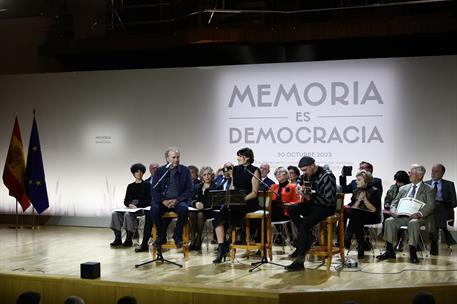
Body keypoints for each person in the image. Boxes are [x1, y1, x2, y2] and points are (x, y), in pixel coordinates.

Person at [285, 156, 336, 271]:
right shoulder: (307, 174)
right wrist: (299, 186)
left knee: (304, 225)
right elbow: (300, 179)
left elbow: (328, 200)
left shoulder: (327, 176)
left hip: (325, 207)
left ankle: (300, 261)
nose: (304, 173)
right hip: (313, 205)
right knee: (291, 208)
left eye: (305, 169)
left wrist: (309, 194)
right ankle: (308, 236)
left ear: (313, 165)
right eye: (302, 170)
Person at [377, 164, 435, 263]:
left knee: (413, 222)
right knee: (389, 221)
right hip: (403, 216)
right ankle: (390, 251)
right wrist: (393, 211)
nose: (409, 175)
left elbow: (431, 205)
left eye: (411, 173)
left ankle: (413, 252)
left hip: (419, 218)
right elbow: (394, 203)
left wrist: (419, 214)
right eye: (409, 172)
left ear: (420, 176)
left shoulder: (429, 189)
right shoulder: (403, 188)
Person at [213, 147, 260, 263]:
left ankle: (239, 230)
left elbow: (254, 193)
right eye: (237, 156)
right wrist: (231, 197)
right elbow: (233, 186)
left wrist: (240, 199)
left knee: (233, 208)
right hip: (236, 201)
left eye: (240, 156)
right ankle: (222, 248)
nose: (237, 158)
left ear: (247, 157)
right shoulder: (235, 169)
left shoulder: (254, 170)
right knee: (218, 219)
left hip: (249, 201)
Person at [150, 147, 193, 248]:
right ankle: (161, 235)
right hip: (163, 201)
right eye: (174, 157)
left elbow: (190, 189)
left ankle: (177, 235)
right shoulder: (160, 171)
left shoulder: (184, 170)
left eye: (178, 157)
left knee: (184, 209)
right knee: (154, 209)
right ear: (167, 159)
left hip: (178, 201)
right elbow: (154, 189)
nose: (176, 160)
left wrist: (177, 200)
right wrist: (163, 200)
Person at [110, 163, 151, 248]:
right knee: (115, 214)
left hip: (142, 209)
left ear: (143, 173)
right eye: (137, 172)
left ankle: (129, 239)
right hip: (130, 208)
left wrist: (138, 205)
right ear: (133, 173)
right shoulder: (130, 186)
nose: (139, 174)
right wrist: (129, 204)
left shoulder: (147, 185)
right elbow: (126, 200)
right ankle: (118, 238)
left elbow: (149, 200)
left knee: (128, 215)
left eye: (141, 172)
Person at [346, 170, 382, 259]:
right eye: (356, 179)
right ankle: (361, 245)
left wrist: (365, 199)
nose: (356, 182)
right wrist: (358, 200)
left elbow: (374, 209)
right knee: (357, 216)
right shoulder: (356, 191)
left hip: (372, 216)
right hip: (359, 217)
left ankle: (348, 235)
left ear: (366, 180)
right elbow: (354, 207)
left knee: (357, 215)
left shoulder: (374, 191)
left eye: (359, 179)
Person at [425, 163, 457, 254]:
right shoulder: (425, 184)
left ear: (442, 173)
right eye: (432, 171)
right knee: (434, 213)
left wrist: (446, 206)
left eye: (436, 171)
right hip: (429, 209)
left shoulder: (449, 184)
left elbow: (454, 201)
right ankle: (447, 236)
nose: (433, 173)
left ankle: (434, 244)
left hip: (444, 209)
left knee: (437, 212)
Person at [189, 166, 217, 251]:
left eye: (209, 174)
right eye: (204, 175)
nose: (207, 176)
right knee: (192, 213)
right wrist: (195, 203)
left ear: (212, 175)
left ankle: (199, 239)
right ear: (202, 176)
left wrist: (205, 205)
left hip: (210, 211)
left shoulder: (216, 187)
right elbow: (190, 199)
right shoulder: (197, 186)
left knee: (200, 214)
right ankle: (193, 238)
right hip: (197, 210)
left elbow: (217, 203)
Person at [135, 163, 159, 252]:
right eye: (153, 168)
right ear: (150, 170)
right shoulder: (145, 182)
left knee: (151, 214)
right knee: (149, 214)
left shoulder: (165, 180)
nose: (155, 170)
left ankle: (155, 240)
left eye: (157, 168)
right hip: (148, 206)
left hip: (161, 205)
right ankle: (145, 243)